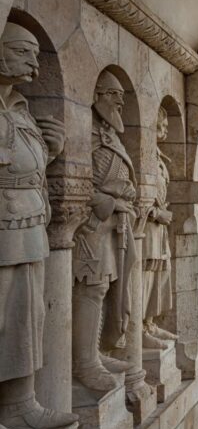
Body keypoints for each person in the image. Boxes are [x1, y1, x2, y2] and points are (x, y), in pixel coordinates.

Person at [0, 22, 77, 429]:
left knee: (26, 317)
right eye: (22, 51)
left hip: (28, 226)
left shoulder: (20, 107)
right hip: (5, 226)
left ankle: (21, 404)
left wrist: (51, 149)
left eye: (35, 52)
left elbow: (24, 166)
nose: (34, 61)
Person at [72, 71, 137, 391]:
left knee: (104, 288)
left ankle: (95, 352)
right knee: (91, 288)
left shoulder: (109, 135)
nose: (120, 101)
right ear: (96, 95)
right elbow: (72, 182)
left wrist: (126, 195)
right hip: (90, 225)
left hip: (111, 227)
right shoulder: (85, 131)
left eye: (122, 96)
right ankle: (84, 362)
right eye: (113, 94)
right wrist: (112, 202)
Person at [141, 107, 176, 350]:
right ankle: (138, 330)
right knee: (144, 277)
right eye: (159, 127)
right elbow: (136, 196)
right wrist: (157, 213)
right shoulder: (142, 155)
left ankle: (150, 323)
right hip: (146, 229)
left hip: (158, 230)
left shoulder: (159, 158)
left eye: (165, 127)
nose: (163, 133)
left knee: (158, 274)